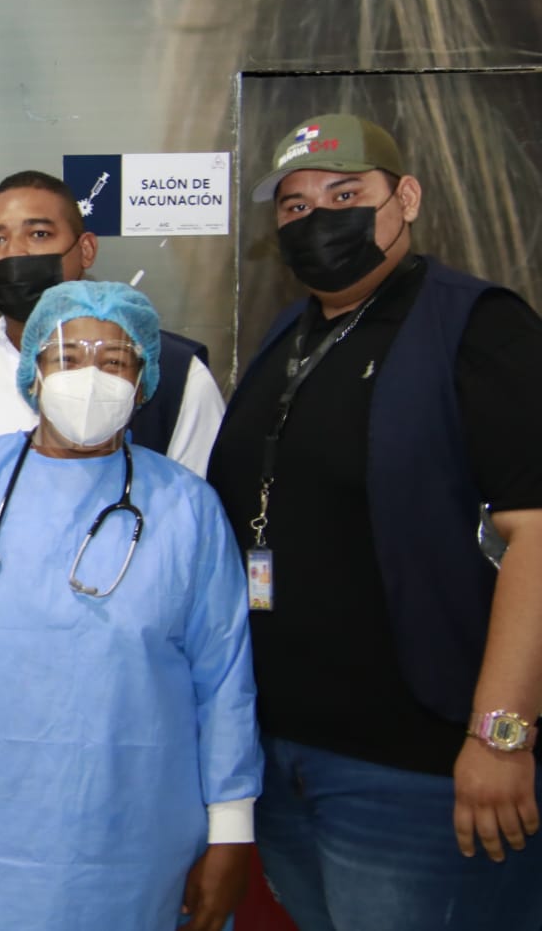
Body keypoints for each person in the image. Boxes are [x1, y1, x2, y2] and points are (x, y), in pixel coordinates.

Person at [207, 113, 542, 929]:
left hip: (417, 771)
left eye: (344, 194)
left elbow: (536, 535)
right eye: (294, 206)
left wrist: (501, 737)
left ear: (407, 200)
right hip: (285, 761)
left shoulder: (476, 327)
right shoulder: (290, 334)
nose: (317, 219)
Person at [0, 280, 261, 931]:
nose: (90, 377)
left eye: (114, 361)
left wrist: (231, 830)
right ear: (33, 374)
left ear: (143, 381)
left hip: (144, 831)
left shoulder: (186, 507)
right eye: (66, 356)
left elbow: (224, 680)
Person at [0, 170, 225, 474]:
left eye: (39, 234)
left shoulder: (175, 373)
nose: (14, 252)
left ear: (85, 250)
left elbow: (198, 498)